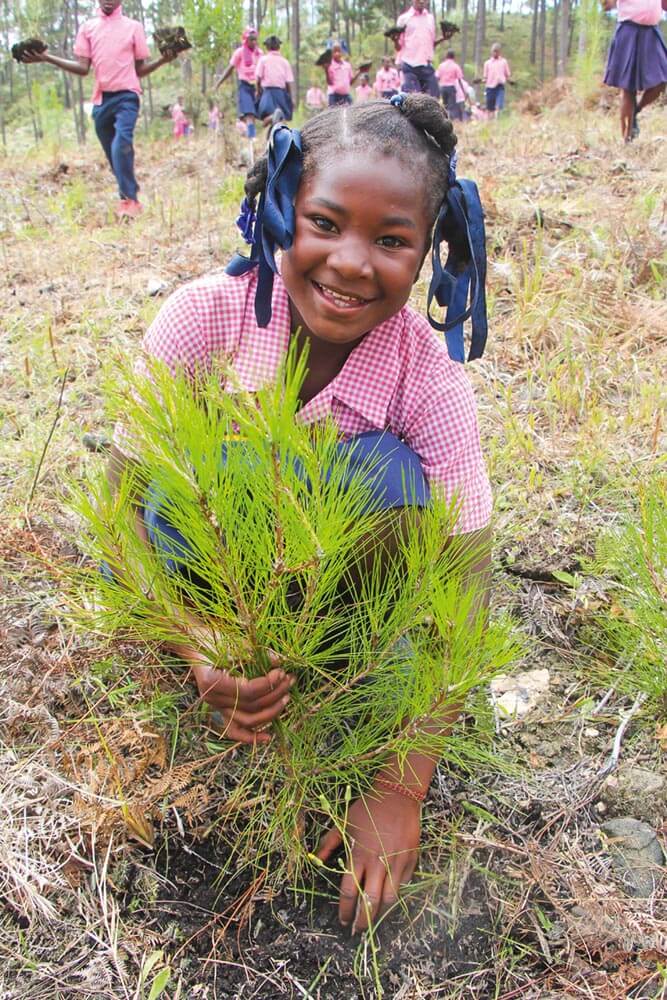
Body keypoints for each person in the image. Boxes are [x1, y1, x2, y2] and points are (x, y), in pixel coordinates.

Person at [106, 94, 491, 934]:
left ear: (431, 251)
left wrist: (397, 791)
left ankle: (327, 679)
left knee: (388, 476)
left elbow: (465, 589)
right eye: (323, 222)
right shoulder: (203, 316)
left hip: (341, 613)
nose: (352, 264)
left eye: (391, 240)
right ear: (278, 208)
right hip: (204, 598)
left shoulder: (426, 378)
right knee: (184, 477)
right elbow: (121, 513)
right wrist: (192, 641)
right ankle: (220, 678)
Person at [21, 0, 178, 217]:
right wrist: (46, 58)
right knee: (114, 155)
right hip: (101, 100)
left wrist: (162, 60)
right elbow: (83, 68)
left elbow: (139, 70)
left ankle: (130, 201)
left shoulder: (134, 27)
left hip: (127, 96)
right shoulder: (88, 28)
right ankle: (127, 197)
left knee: (121, 144)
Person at [602, 0, 667, 142]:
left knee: (662, 81)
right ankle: (627, 139)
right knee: (628, 88)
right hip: (628, 31)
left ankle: (636, 111)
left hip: (651, 32)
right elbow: (607, 5)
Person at [215, 26, 262, 140]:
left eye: (255, 39)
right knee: (249, 112)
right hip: (245, 85)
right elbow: (230, 69)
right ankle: (252, 136)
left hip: (257, 86)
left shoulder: (259, 53)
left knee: (257, 113)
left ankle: (253, 134)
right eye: (251, 39)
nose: (254, 42)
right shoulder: (240, 52)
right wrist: (219, 83)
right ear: (246, 40)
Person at [393, 0, 446, 97]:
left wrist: (443, 38)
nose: (421, 1)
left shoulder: (430, 18)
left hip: (426, 65)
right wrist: (395, 40)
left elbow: (431, 43)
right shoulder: (403, 19)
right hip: (409, 65)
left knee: (434, 98)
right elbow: (398, 47)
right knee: (411, 100)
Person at [256, 35, 295, 126]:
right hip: (280, 93)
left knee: (264, 120)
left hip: (267, 94)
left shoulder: (263, 60)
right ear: (279, 47)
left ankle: (271, 117)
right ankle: (275, 119)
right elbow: (288, 82)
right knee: (282, 119)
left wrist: (258, 91)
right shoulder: (284, 62)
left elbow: (258, 78)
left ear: (267, 47)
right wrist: (290, 97)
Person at [483, 42, 511, 118]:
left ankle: (497, 120)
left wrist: (510, 81)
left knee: (499, 106)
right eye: (493, 51)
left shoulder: (503, 62)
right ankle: (490, 122)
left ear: (499, 52)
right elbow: (485, 77)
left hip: (499, 86)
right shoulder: (487, 63)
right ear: (491, 52)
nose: (495, 53)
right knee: (490, 108)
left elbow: (507, 74)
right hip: (490, 87)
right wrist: (482, 80)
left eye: (496, 51)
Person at [435, 49, 465, 120]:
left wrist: (436, 88)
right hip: (451, 88)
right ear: (454, 57)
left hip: (442, 87)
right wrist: (463, 91)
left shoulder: (441, 66)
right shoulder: (455, 66)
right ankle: (451, 120)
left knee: (444, 105)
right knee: (452, 106)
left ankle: (444, 119)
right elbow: (460, 79)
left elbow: (437, 77)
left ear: (446, 56)